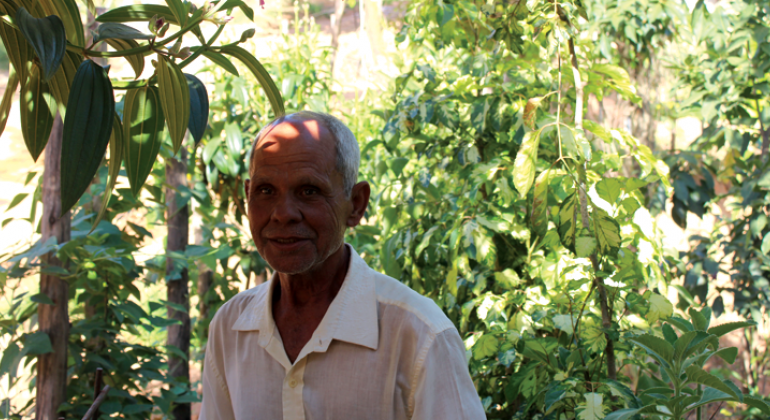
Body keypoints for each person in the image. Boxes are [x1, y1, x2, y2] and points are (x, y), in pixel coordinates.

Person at [199, 111, 486, 420]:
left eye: (309, 191)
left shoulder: (419, 334)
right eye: (266, 191)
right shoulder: (230, 328)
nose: (283, 214)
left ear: (356, 204)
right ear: (247, 197)